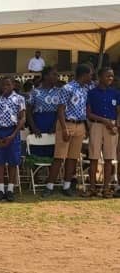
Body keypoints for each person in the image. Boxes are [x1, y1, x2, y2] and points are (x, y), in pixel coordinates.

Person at [45, 63, 94, 197]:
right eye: (90, 74)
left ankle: (66, 186)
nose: (92, 77)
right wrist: (64, 128)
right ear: (84, 75)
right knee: (59, 157)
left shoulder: (86, 88)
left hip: (80, 125)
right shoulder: (67, 88)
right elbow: (60, 109)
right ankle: (49, 186)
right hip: (67, 123)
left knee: (72, 158)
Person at [0, 76, 26, 202]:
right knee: (0, 162)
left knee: (13, 162)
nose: (5, 87)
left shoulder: (19, 99)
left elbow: (22, 118)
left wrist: (14, 135)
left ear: (13, 85)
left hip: (13, 131)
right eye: (3, 85)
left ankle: (10, 189)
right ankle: (0, 189)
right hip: (0, 132)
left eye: (8, 85)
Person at [86, 67, 118, 198]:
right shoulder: (92, 93)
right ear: (100, 77)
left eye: (112, 76)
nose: (110, 78)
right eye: (107, 76)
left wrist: (116, 125)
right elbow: (88, 113)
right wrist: (104, 120)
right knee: (94, 157)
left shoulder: (115, 93)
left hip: (112, 126)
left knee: (109, 158)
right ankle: (92, 188)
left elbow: (118, 111)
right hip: (97, 125)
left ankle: (106, 188)